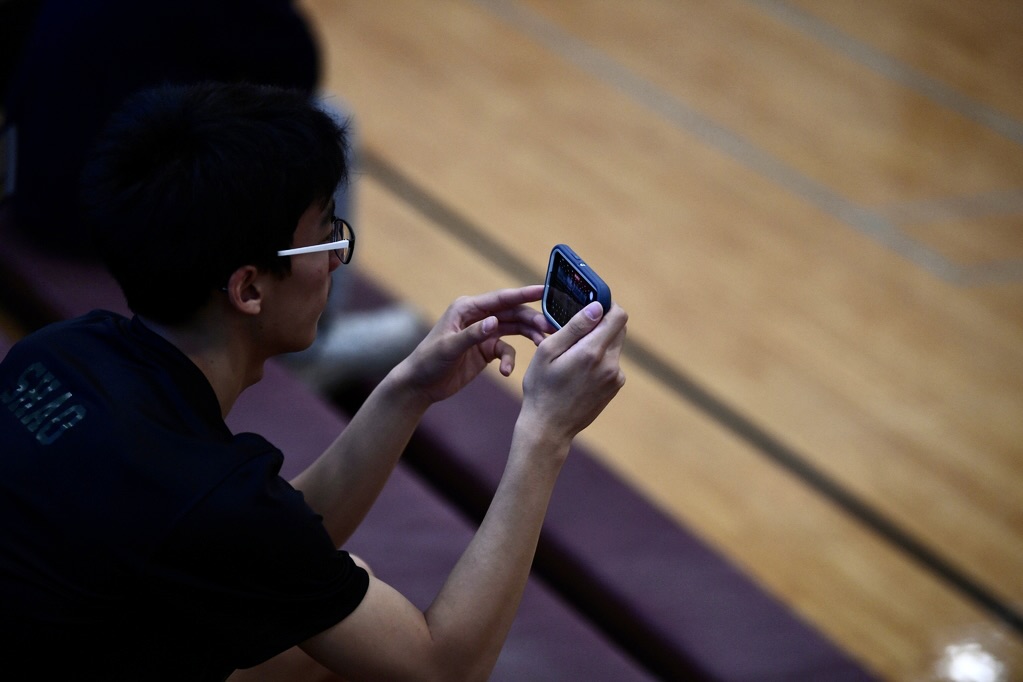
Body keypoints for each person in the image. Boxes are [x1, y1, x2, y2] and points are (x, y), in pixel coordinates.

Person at [0, 81, 628, 680]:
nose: (335, 257)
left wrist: (410, 387)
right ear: (248, 288)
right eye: (326, 236)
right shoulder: (207, 498)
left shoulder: (57, 354)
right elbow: (444, 667)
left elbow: (264, 548)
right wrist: (545, 433)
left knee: (318, 625)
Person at [0, 0, 422, 392]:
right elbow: (296, 73)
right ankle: (312, 344)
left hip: (25, 182)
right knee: (327, 118)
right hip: (92, 211)